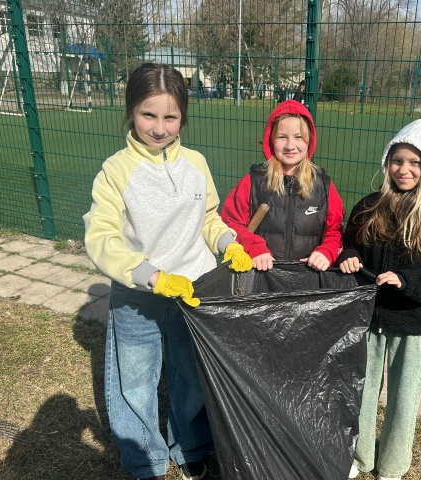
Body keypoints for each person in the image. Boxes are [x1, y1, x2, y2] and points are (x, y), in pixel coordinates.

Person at [83, 63, 252, 480]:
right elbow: (102, 237)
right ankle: (145, 459)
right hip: (137, 297)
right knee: (135, 382)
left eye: (170, 117)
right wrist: (151, 276)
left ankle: (189, 444)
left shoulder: (195, 163)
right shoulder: (115, 170)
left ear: (183, 118)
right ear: (130, 111)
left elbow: (208, 218)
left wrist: (227, 243)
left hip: (193, 292)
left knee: (191, 376)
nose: (159, 128)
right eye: (148, 115)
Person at [338, 119, 421, 480]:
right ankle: (360, 457)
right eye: (397, 161)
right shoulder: (369, 206)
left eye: (414, 162)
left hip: (413, 323)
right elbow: (350, 244)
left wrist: (408, 281)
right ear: (387, 162)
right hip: (368, 318)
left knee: (403, 399)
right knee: (362, 393)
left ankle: (392, 466)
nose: (404, 169)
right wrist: (349, 256)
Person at [220, 99, 344, 272]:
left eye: (298, 137)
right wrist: (253, 247)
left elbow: (335, 231)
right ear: (271, 140)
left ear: (309, 140)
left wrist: (326, 252)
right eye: (282, 137)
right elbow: (230, 223)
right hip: (262, 274)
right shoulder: (253, 181)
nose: (290, 146)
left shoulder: (324, 186)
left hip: (307, 276)